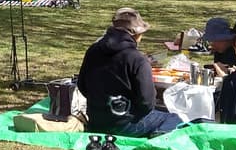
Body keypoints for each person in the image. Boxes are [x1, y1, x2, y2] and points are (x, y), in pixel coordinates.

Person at [76, 8, 183, 137]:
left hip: (96, 120)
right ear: (136, 35)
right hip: (124, 123)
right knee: (174, 118)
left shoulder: (93, 50)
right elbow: (147, 103)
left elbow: (82, 85)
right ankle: (158, 135)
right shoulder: (137, 60)